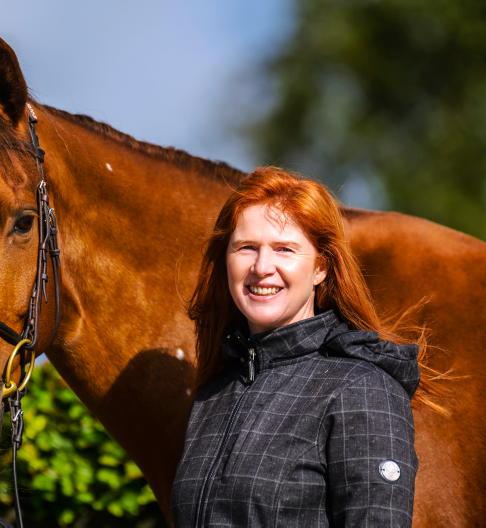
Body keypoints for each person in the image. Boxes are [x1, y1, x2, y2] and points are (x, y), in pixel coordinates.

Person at [171, 167, 422, 527]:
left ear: (321, 268)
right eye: (246, 248)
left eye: (284, 249)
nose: (261, 267)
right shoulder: (214, 393)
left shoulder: (361, 390)